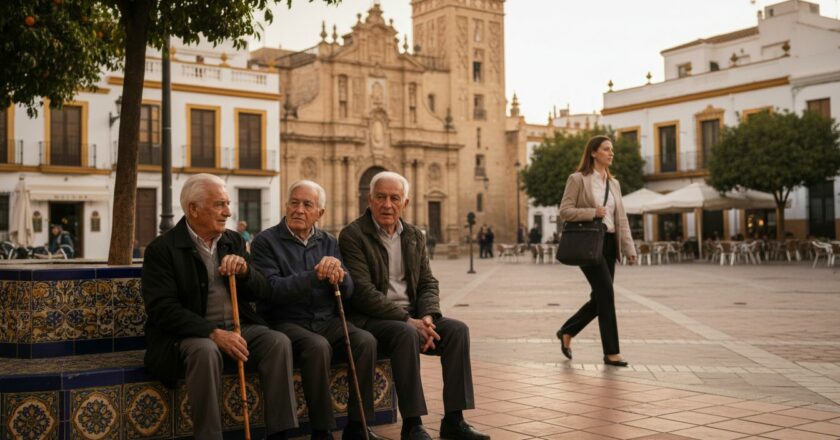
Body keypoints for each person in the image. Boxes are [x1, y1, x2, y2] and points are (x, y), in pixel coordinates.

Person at [141, 173, 297, 440]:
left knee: (278, 342)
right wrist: (213, 333)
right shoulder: (162, 249)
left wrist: (246, 270)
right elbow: (162, 309)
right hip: (189, 335)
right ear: (193, 209)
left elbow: (263, 291)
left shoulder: (233, 241)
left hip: (239, 327)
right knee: (205, 352)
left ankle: (280, 433)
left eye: (227, 204)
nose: (228, 212)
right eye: (219, 205)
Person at [339, 171, 489, 440]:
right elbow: (363, 292)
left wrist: (429, 317)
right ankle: (412, 423)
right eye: (381, 197)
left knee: (457, 331)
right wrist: (410, 321)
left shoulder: (414, 236)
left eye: (394, 198)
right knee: (406, 333)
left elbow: (428, 283)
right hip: (372, 319)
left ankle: (454, 420)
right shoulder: (353, 235)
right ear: (369, 200)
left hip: (413, 318)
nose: (387, 204)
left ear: (405, 203)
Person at [250, 180, 381, 440]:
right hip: (287, 321)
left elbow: (349, 291)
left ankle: (358, 425)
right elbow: (271, 289)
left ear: (319, 213)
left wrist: (339, 275)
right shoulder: (266, 241)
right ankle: (322, 430)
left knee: (365, 341)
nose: (299, 209)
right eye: (294, 203)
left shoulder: (328, 241)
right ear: (286, 206)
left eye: (307, 204)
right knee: (317, 346)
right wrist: (315, 275)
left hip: (326, 320)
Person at [556, 135, 637, 367]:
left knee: (601, 297)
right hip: (589, 244)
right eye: (606, 149)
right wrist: (593, 212)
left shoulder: (615, 184)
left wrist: (629, 248)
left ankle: (567, 331)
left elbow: (621, 219)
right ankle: (612, 352)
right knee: (607, 295)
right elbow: (565, 211)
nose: (611, 153)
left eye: (612, 150)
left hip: (610, 243)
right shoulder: (578, 179)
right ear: (593, 153)